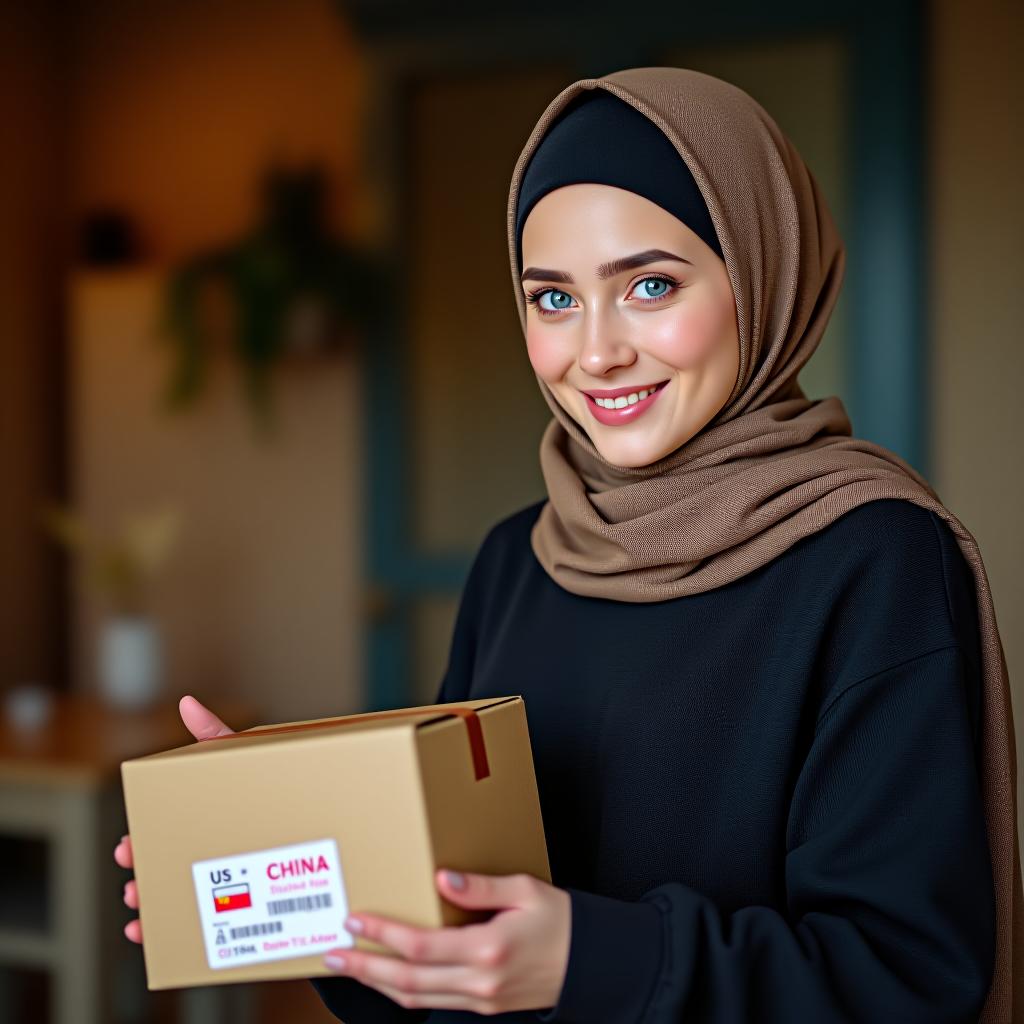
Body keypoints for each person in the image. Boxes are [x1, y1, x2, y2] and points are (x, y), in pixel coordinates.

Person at [115, 67, 1023, 1022]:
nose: (596, 353)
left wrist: (590, 961)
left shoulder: (874, 561)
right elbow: (460, 960)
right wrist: (311, 881)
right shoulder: (523, 555)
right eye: (553, 300)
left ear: (764, 276)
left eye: (651, 284)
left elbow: (907, 981)